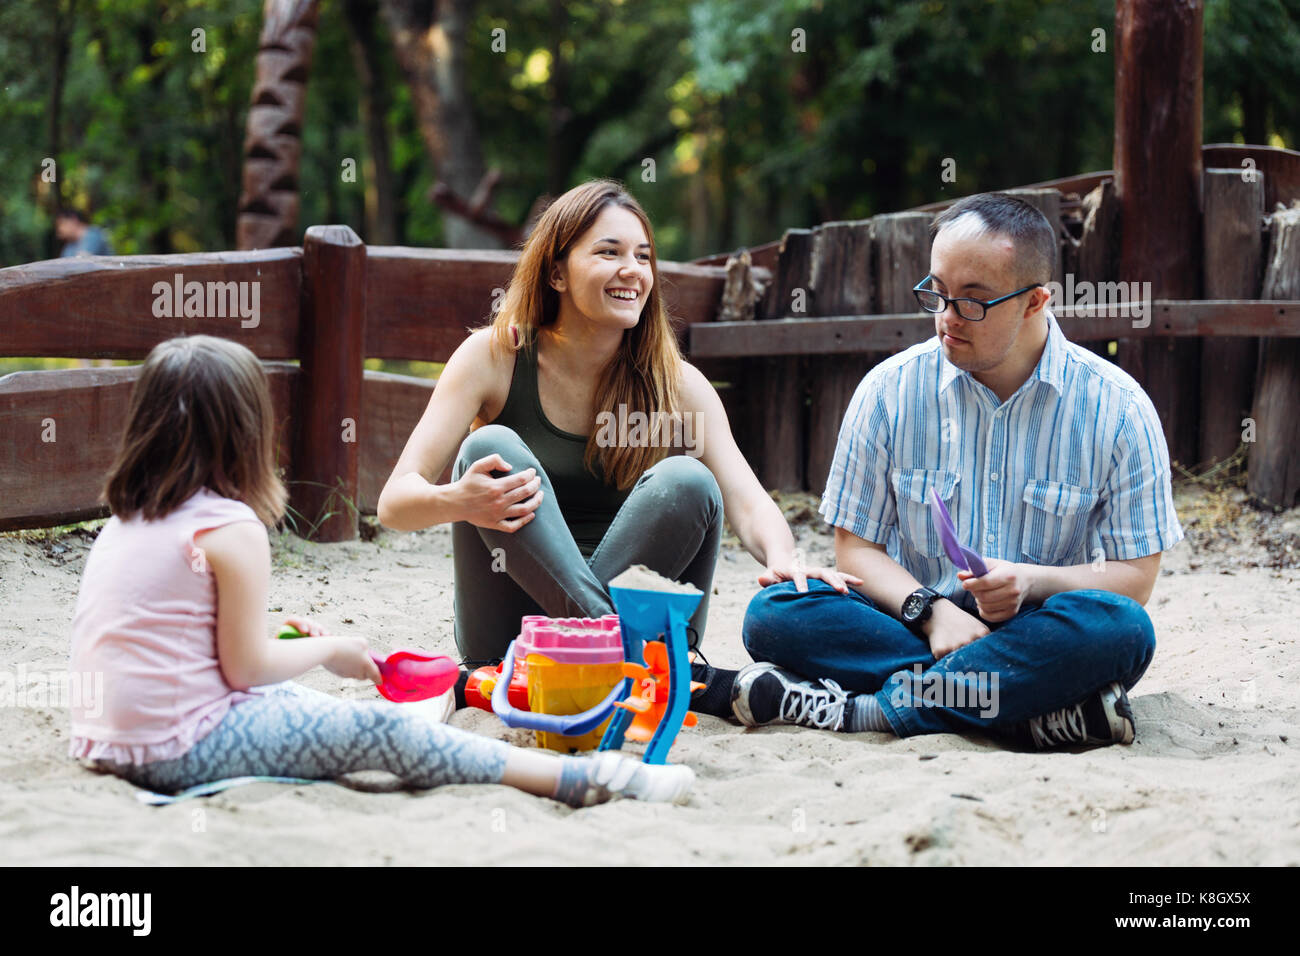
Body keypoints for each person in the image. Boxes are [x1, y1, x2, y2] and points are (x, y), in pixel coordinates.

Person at [69, 334, 693, 806]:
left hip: (107, 741)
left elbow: (193, 652)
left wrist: (284, 650)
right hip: (177, 748)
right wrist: (331, 650)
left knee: (290, 698)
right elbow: (242, 670)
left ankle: (431, 715)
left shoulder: (128, 524)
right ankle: (579, 778)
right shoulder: (232, 530)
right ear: (247, 432)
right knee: (375, 733)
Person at [377, 179, 856, 712]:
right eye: (609, 252)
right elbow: (394, 503)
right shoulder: (493, 357)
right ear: (556, 272)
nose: (634, 270)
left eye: (643, 256)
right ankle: (653, 670)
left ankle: (601, 652)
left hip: (632, 611)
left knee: (688, 480)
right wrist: (458, 501)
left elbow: (745, 497)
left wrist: (785, 557)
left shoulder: (676, 384)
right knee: (490, 446)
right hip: (508, 633)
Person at [728, 192, 1183, 748]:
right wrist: (931, 612)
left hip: (1038, 637)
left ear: (1037, 301)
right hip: (918, 629)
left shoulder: (1119, 408)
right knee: (775, 614)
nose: (946, 318)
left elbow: (1134, 578)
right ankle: (1023, 715)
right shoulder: (888, 391)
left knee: (1122, 629)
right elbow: (856, 552)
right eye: (937, 293)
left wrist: (1031, 580)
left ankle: (866, 712)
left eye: (972, 301)